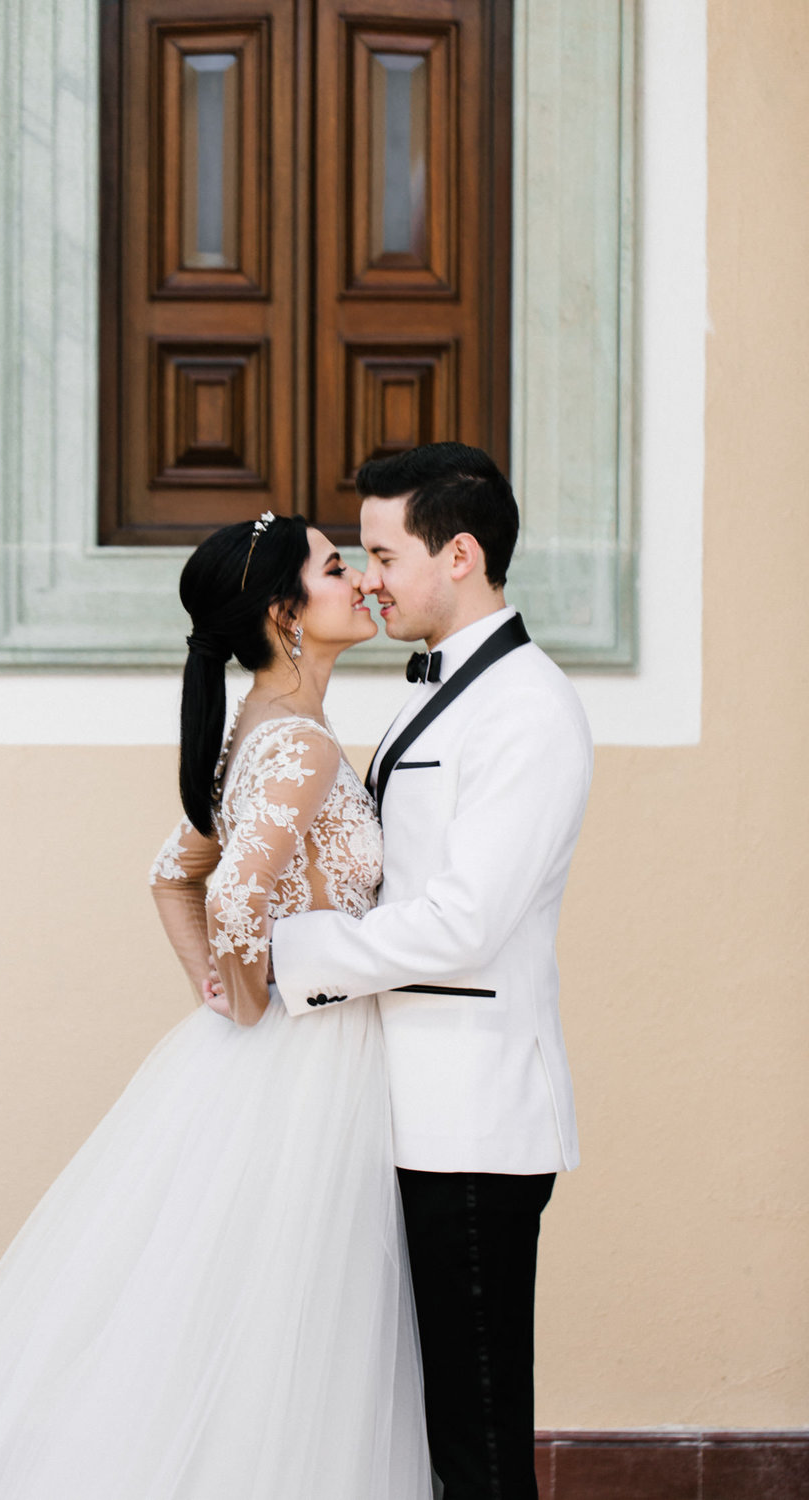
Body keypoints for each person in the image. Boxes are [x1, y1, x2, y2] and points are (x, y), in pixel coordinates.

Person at [0, 514, 432, 1500]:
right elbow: (222, 894)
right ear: (284, 614)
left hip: (281, 1054)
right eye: (333, 566)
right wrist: (244, 999)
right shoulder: (301, 746)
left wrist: (227, 996)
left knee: (239, 1310)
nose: (358, 578)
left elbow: (170, 875)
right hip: (307, 1058)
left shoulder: (255, 733)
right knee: (288, 1310)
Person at [269, 444, 594, 1500]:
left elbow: (465, 920)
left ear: (460, 554)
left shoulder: (528, 709)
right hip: (405, 1103)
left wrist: (298, 958)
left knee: (477, 1429)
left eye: (381, 554)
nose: (367, 579)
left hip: (472, 1115)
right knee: (424, 1420)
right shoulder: (435, 688)